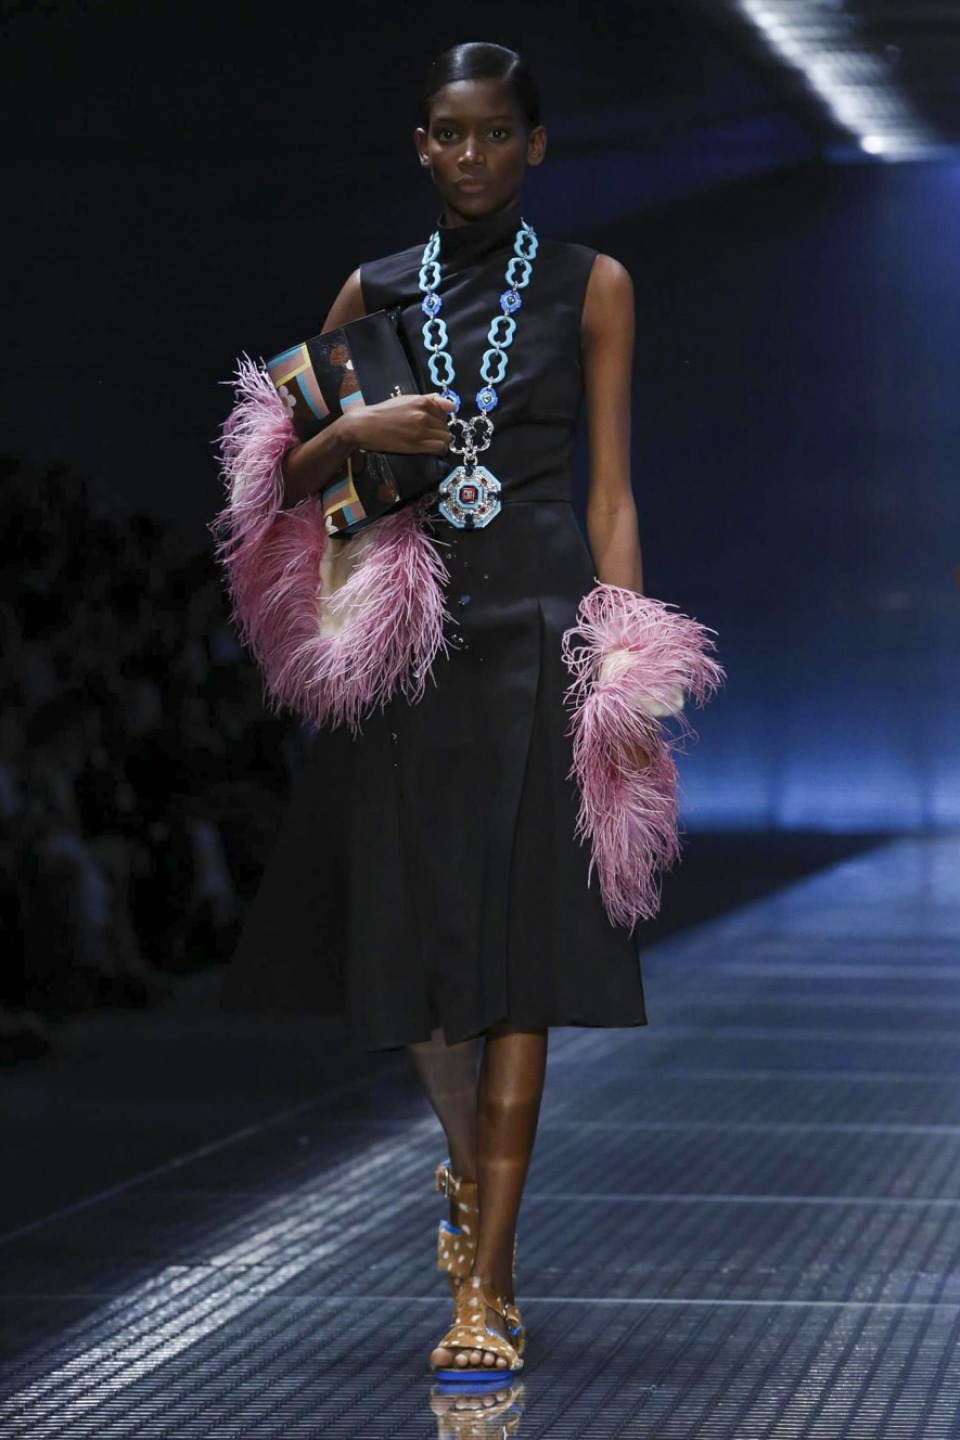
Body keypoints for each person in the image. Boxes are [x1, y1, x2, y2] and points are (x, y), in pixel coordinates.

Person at [210, 41, 721, 1389]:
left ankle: (487, 1285)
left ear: (534, 145)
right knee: (428, 957)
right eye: (451, 132)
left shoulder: (593, 284)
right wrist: (356, 438)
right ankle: (471, 1182)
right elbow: (281, 489)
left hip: (542, 642)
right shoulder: (373, 288)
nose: (475, 154)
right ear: (422, 146)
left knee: (519, 961)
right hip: (413, 655)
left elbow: (611, 489)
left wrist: (626, 658)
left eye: (498, 132)